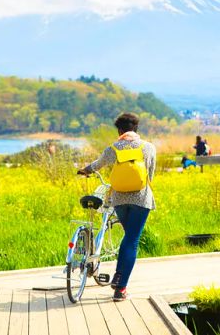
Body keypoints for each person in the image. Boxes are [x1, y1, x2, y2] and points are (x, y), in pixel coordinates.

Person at [77, 112, 156, 302]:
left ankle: (119, 277)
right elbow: (150, 174)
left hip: (119, 199)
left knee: (129, 238)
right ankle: (120, 286)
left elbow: (97, 165)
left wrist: (85, 170)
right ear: (136, 129)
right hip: (141, 199)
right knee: (132, 240)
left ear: (119, 130)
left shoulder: (113, 148)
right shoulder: (149, 147)